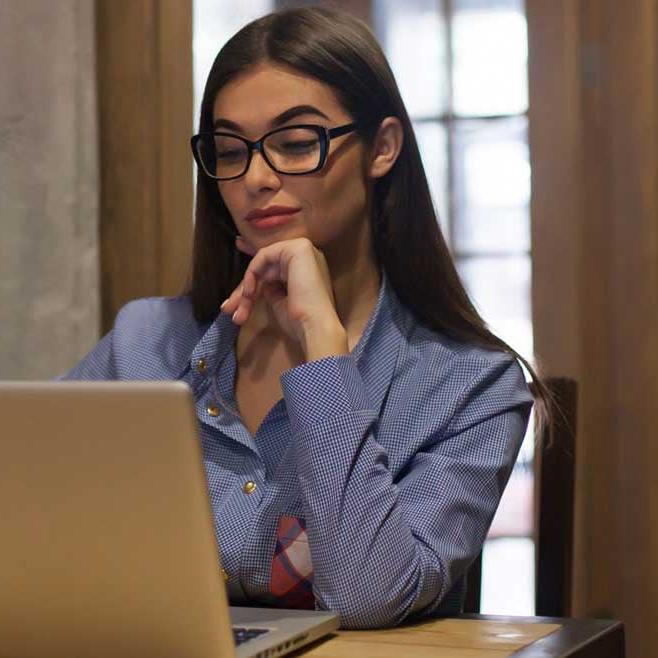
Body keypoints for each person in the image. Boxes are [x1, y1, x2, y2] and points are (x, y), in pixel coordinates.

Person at [64, 6, 543, 629]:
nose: (256, 178)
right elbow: (19, 520)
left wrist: (323, 347)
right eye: (229, 150)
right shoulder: (145, 344)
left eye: (295, 143)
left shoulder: (469, 385)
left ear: (384, 148)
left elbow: (370, 597)